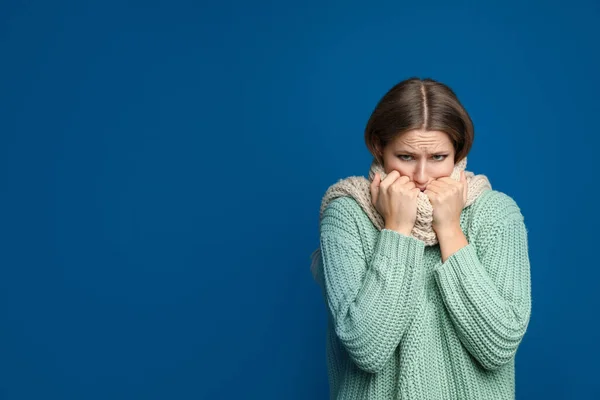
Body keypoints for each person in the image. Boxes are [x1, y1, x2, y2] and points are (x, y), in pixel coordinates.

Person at [309, 77, 532, 400]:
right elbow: (367, 347)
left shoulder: (495, 213)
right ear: (378, 146)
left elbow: (497, 346)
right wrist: (397, 228)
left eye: (438, 157)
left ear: (459, 151)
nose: (423, 177)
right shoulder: (347, 214)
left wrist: (450, 230)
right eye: (406, 157)